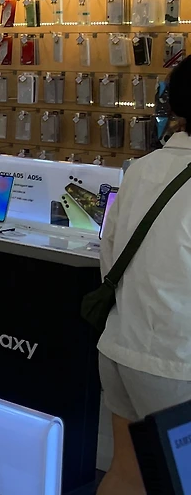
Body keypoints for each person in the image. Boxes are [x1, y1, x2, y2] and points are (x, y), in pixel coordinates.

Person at [96, 59, 191, 495]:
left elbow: (110, 253)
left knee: (125, 474)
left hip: (122, 348)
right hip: (177, 364)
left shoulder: (142, 168)